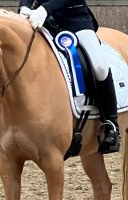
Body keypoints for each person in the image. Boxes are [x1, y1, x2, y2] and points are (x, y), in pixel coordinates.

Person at [18, 0, 120, 154]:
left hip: (75, 20)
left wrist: (45, 9)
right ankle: (6, 124)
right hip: (40, 22)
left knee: (100, 67)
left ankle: (111, 124)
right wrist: (24, 7)